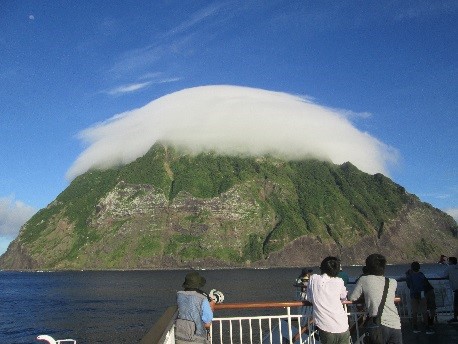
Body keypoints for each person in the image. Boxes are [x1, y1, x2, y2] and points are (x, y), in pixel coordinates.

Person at [349, 253, 403, 344]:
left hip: (378, 325)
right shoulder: (393, 282)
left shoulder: (364, 280)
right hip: (396, 324)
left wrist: (365, 297)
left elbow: (352, 298)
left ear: (368, 267)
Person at [306, 256, 350, 344]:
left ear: (321, 268)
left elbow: (309, 298)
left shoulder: (313, 279)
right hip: (342, 325)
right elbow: (344, 296)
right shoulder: (339, 281)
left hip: (326, 326)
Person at [175, 271, 215, 344]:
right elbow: (207, 320)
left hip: (180, 335)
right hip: (196, 338)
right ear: (198, 285)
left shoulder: (179, 295)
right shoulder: (202, 298)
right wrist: (212, 304)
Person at [405, 262, 433, 334]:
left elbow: (408, 285)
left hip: (413, 294)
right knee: (424, 310)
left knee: (414, 311)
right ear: (419, 267)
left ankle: (415, 327)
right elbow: (425, 283)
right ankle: (427, 327)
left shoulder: (409, 276)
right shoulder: (421, 275)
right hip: (421, 293)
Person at [443, 256, 458, 323]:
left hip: (457, 289)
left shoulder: (449, 268)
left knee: (456, 304)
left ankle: (455, 318)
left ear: (451, 261)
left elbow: (444, 275)